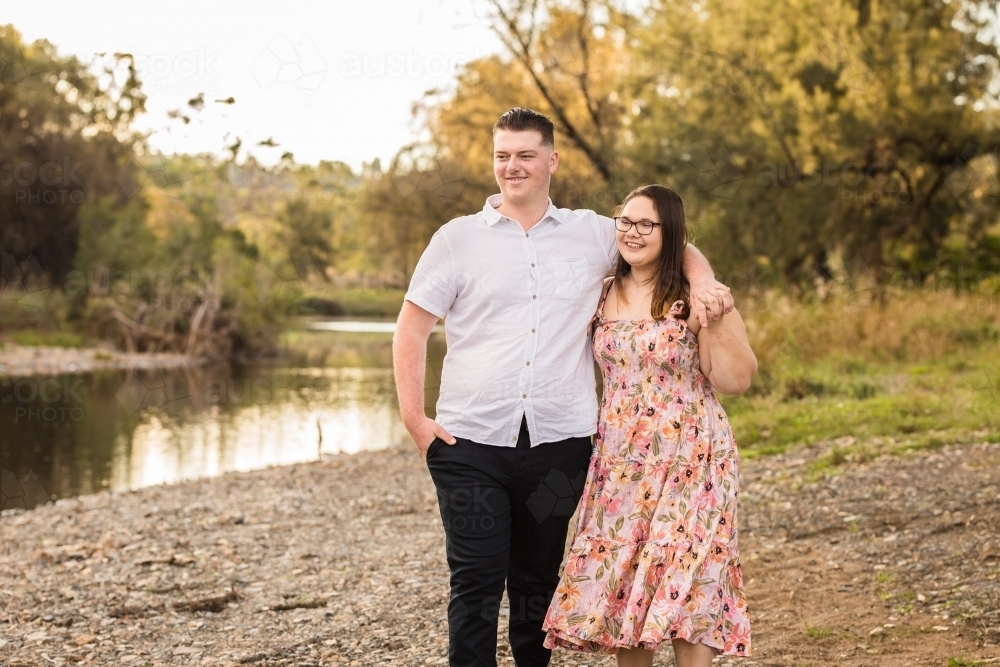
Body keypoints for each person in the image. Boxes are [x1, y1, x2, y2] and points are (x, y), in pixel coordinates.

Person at [392, 108, 733, 667]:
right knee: (475, 581)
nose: (513, 166)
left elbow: (669, 242)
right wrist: (414, 418)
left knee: (536, 580)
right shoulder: (456, 240)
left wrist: (702, 281)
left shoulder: (593, 233)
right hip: (468, 442)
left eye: (526, 154)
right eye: (503, 155)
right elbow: (412, 326)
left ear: (552, 160)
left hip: (559, 444)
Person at [541, 184, 757, 667]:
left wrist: (715, 318)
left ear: (672, 234)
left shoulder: (695, 297)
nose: (632, 233)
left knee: (690, 573)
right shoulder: (601, 293)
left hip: (693, 456)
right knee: (626, 574)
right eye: (626, 221)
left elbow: (737, 380)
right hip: (621, 460)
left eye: (647, 225)